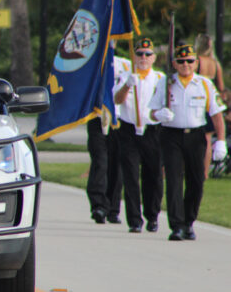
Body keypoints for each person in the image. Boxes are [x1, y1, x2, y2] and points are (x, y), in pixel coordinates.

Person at [149, 44, 226, 241]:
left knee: (196, 180)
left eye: (189, 61)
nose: (185, 65)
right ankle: (176, 225)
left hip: (195, 136)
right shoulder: (166, 83)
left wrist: (221, 141)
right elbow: (151, 111)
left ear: (196, 63)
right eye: (181, 61)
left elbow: (217, 115)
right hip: (171, 135)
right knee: (174, 180)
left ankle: (189, 221)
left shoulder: (205, 84)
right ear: (174, 63)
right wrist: (159, 114)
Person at [113, 38, 164, 233]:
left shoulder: (160, 79)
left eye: (147, 54)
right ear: (133, 56)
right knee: (131, 176)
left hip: (152, 131)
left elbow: (165, 104)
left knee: (153, 175)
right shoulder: (125, 76)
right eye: (140, 54)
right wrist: (127, 85)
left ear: (154, 58)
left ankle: (152, 216)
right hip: (129, 130)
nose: (143, 57)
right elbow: (117, 100)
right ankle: (135, 220)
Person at [86, 51, 128, 225]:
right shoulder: (91, 63)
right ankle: (98, 205)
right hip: (97, 118)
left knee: (116, 165)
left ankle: (112, 207)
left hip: (119, 120)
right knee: (100, 161)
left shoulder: (126, 65)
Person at [195, 34, 225, 178]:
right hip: (211, 100)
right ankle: (205, 172)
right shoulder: (215, 63)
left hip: (199, 100)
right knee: (207, 139)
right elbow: (220, 86)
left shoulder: (197, 61)